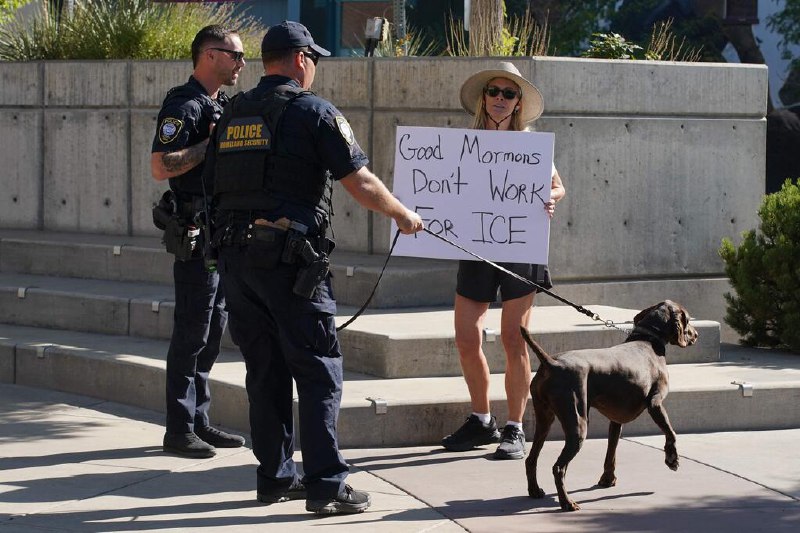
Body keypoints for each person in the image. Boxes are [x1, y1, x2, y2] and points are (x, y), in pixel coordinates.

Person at [202, 21, 423, 515]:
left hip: (236, 260)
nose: (315, 68)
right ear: (302, 59)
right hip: (289, 261)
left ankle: (275, 478)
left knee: (265, 372)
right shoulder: (313, 111)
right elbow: (358, 180)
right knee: (319, 370)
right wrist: (403, 215)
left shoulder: (233, 113)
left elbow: (212, 186)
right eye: (314, 60)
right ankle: (326, 484)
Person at [441, 61, 566, 460]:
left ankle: (514, 427)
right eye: (493, 92)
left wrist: (552, 199)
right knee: (466, 337)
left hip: (520, 247)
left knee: (514, 339)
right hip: (476, 247)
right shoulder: (465, 142)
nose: (499, 99)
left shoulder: (531, 147)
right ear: (484, 98)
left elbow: (558, 186)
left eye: (508, 94)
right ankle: (481, 419)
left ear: (518, 103)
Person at [150, 25, 246, 458]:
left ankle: (199, 420)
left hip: (219, 235)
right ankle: (178, 428)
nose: (242, 63)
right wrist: (210, 145)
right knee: (191, 330)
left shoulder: (218, 104)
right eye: (235, 55)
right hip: (195, 235)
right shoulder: (183, 105)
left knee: (212, 330)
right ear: (210, 55)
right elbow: (160, 165)